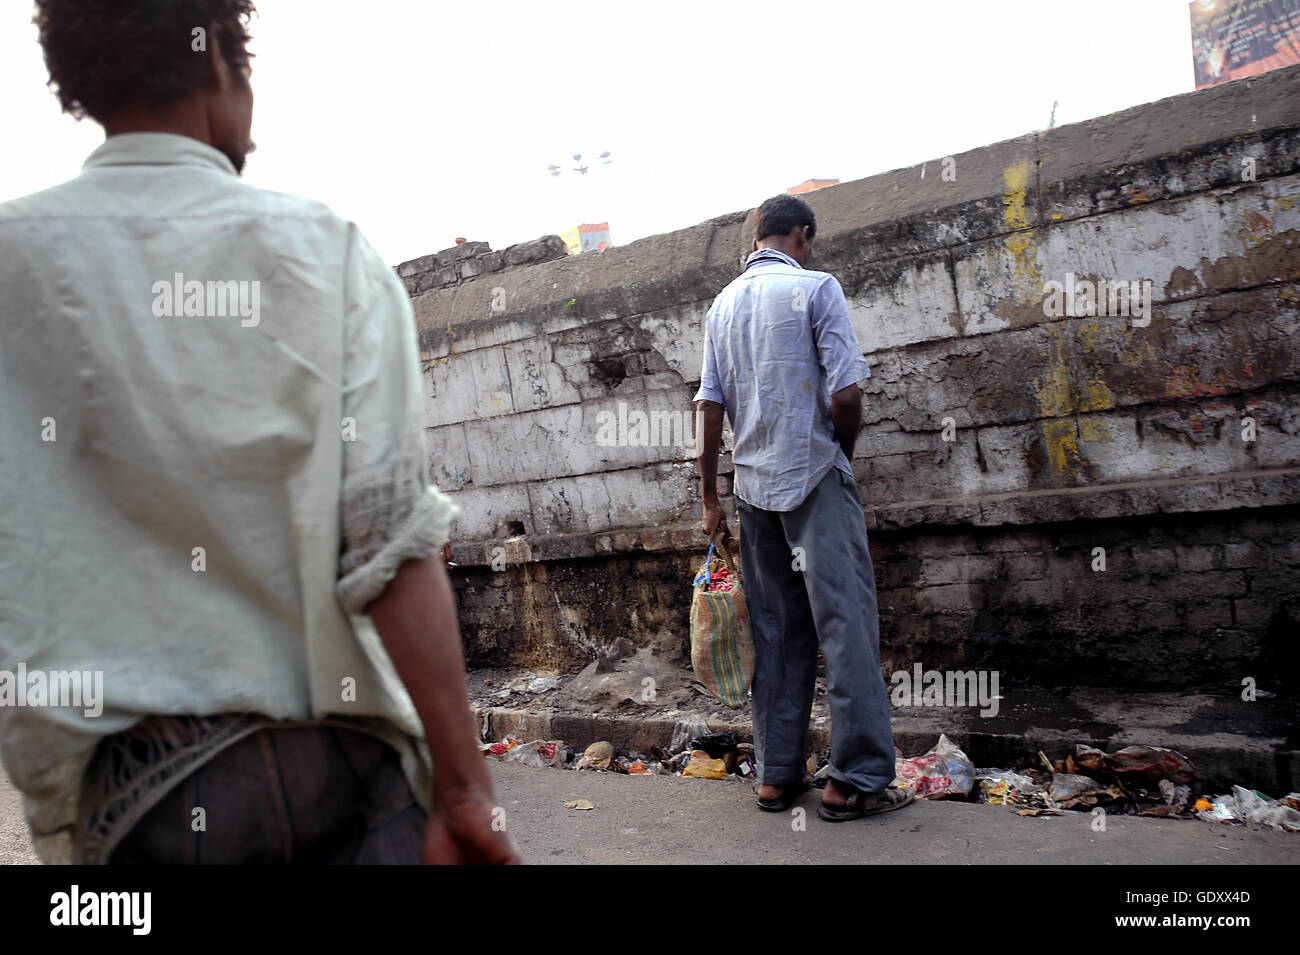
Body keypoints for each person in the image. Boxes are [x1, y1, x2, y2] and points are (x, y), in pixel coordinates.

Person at [0, 0, 518, 864]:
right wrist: (465, 786)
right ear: (220, 67)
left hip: (137, 796)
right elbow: (389, 540)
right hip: (345, 759)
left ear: (79, 85)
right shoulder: (328, 252)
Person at [693, 194, 912, 821]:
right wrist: (840, 453)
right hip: (814, 475)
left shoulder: (721, 306)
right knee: (844, 625)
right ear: (803, 236)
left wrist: (710, 497)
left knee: (777, 632)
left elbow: (710, 409)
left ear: (757, 236)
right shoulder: (817, 289)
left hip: (752, 490)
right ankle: (856, 780)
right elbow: (846, 392)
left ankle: (776, 775)